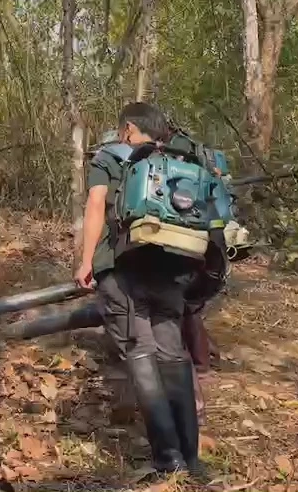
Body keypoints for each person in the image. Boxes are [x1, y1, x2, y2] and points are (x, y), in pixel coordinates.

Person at [74, 102, 205, 477]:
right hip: (171, 271)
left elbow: (97, 203)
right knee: (173, 356)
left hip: (122, 270)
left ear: (128, 129)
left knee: (141, 356)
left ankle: (169, 460)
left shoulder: (109, 157)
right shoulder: (181, 160)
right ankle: (192, 459)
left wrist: (86, 261)